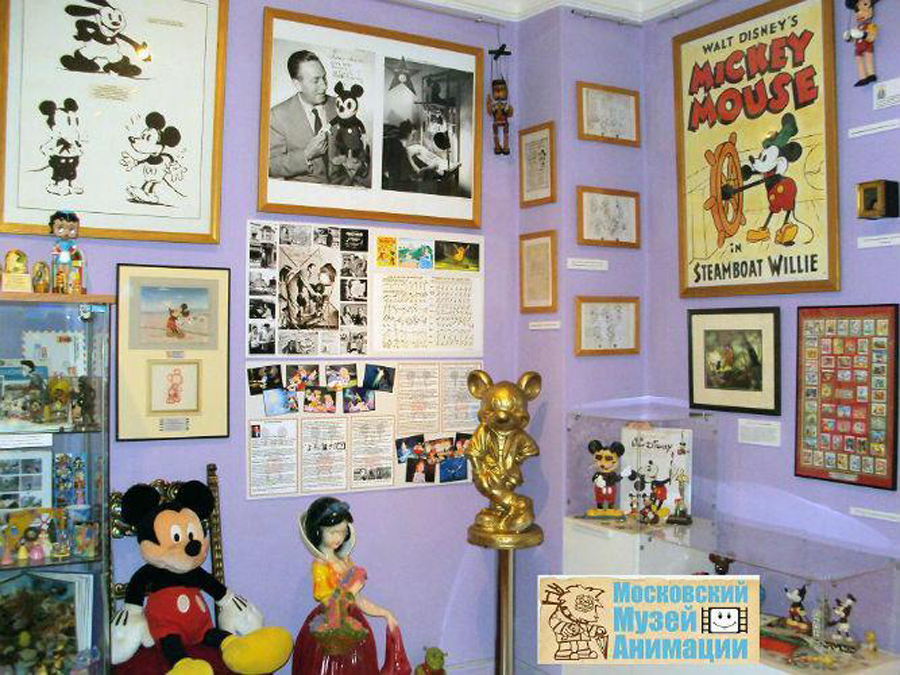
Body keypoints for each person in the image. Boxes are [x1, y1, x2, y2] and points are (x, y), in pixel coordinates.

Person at [294, 497, 409, 675]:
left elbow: (358, 600)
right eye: (332, 532)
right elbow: (330, 602)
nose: (338, 537)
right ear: (317, 532)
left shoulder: (345, 561)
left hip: (352, 623)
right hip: (330, 631)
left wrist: (385, 613)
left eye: (342, 531)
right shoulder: (320, 568)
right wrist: (351, 590)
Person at [269, 50, 337, 182]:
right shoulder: (277, 116)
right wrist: (306, 154)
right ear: (297, 85)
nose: (324, 86)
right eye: (316, 81)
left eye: (324, 78)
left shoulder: (338, 105)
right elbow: (270, 165)